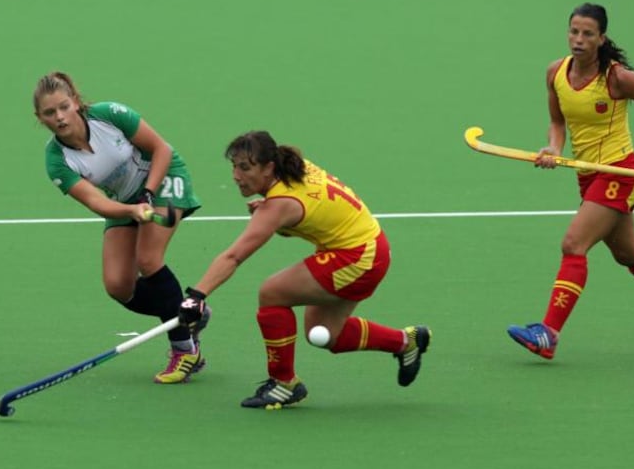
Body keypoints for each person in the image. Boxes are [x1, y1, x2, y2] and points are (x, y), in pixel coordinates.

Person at [507, 3, 634, 359]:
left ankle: (549, 334)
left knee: (574, 243)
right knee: (628, 254)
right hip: (588, 176)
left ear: (602, 38)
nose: (579, 40)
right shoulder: (556, 73)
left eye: (588, 34)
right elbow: (558, 123)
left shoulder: (617, 78)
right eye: (574, 31)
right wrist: (553, 148)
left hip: (620, 172)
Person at [177, 131, 431, 409]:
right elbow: (309, 208)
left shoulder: (279, 205)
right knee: (323, 334)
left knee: (272, 292)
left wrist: (196, 295)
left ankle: (284, 383)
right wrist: (271, 211)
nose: (236, 175)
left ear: (269, 167)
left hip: (356, 257)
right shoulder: (294, 167)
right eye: (234, 166)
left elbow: (234, 256)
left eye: (245, 167)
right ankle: (406, 342)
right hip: (368, 247)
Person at [33, 71, 209, 384]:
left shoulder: (108, 115)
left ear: (75, 101)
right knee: (118, 285)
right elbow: (97, 203)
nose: (59, 117)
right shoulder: (57, 160)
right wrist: (131, 208)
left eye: (63, 107)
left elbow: (162, 150)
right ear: (40, 118)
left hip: (163, 177)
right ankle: (188, 312)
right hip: (124, 202)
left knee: (148, 260)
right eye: (49, 113)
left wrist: (148, 194)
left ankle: (184, 350)